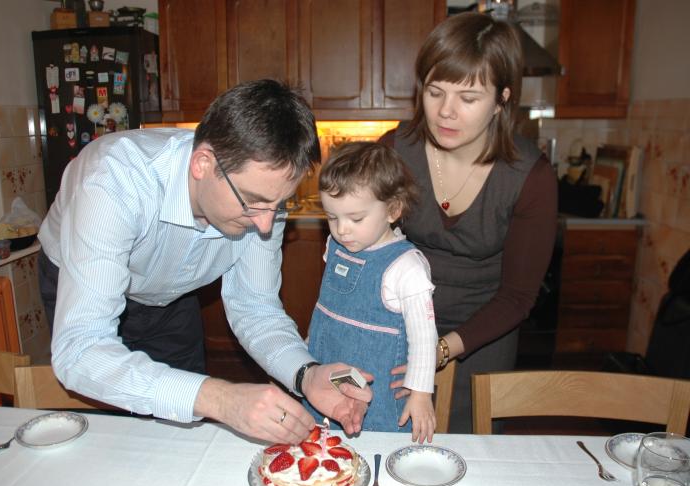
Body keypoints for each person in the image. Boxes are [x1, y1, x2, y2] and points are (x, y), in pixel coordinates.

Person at [37, 79, 373, 444]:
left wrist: (306, 374)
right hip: (80, 280)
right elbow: (82, 351)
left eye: (278, 206)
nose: (265, 223)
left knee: (180, 435)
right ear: (202, 163)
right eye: (253, 202)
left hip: (171, 298)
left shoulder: (263, 203)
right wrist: (222, 398)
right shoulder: (113, 180)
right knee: (102, 433)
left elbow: (255, 307)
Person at [381, 12, 558, 433]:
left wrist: (437, 351)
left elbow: (517, 297)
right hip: (395, 330)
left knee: (467, 453)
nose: (446, 112)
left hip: (480, 342)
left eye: (469, 98)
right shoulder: (394, 151)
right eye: (435, 91)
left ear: (501, 100)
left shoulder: (530, 178)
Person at [304, 141, 438, 443]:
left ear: (392, 210)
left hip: (379, 401)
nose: (342, 230)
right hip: (327, 382)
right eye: (332, 217)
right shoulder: (335, 246)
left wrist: (420, 393)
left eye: (356, 218)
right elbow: (330, 308)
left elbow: (424, 336)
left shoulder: (407, 267)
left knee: (377, 454)